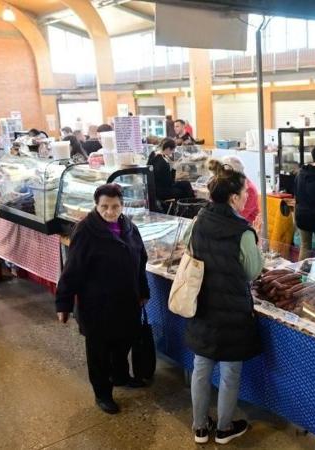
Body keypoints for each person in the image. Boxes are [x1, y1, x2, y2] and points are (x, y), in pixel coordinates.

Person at [184, 165, 262, 445]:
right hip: (232, 309)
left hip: (203, 304)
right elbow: (252, 271)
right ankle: (225, 428)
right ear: (233, 198)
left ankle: (200, 427)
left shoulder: (199, 219)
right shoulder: (243, 231)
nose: (245, 197)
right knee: (230, 370)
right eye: (243, 193)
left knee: (201, 366)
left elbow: (188, 248)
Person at [56, 183, 150, 415]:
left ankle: (120, 376)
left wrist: (143, 291)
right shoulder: (85, 231)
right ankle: (102, 394)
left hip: (127, 301)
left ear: (122, 205)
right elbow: (72, 270)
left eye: (115, 206)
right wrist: (63, 304)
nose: (110, 211)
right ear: (96, 206)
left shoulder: (129, 227)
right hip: (97, 305)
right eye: (105, 207)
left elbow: (141, 261)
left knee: (123, 342)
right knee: (98, 352)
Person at [147, 138, 194, 204]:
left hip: (153, 189)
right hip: (162, 191)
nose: (173, 152)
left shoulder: (153, 154)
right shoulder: (163, 163)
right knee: (184, 190)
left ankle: (186, 207)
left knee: (186, 184)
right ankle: (190, 206)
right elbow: (170, 182)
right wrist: (174, 168)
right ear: (168, 149)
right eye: (173, 150)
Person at [217, 156, 260, 228]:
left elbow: (240, 217)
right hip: (230, 224)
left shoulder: (249, 190)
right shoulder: (230, 186)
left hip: (245, 227)